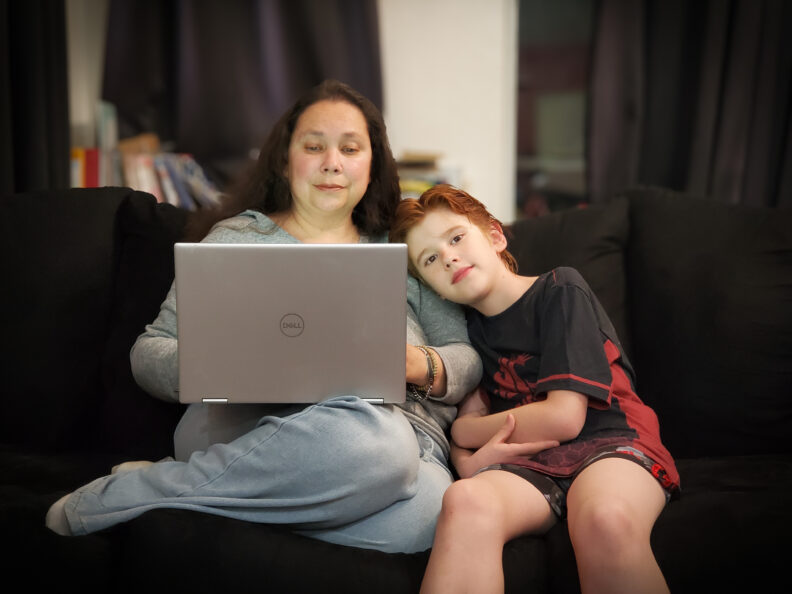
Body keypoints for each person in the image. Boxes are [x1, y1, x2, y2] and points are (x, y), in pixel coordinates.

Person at [45, 80, 484, 555]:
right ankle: (149, 495)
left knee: (433, 511)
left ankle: (184, 490)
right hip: (250, 426)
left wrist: (417, 363)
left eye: (350, 148)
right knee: (380, 449)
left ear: (372, 163)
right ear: (284, 160)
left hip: (401, 439)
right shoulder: (235, 239)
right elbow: (148, 352)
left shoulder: (406, 244)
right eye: (313, 146)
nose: (332, 163)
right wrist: (221, 365)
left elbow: (465, 359)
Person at [389, 184, 680, 593]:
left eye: (456, 238)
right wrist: (465, 457)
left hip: (612, 443)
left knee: (604, 517)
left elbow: (563, 417)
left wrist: (467, 433)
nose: (448, 257)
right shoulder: (466, 336)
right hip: (531, 465)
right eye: (430, 259)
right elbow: (463, 430)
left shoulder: (560, 289)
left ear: (495, 236)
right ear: (433, 287)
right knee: (465, 500)